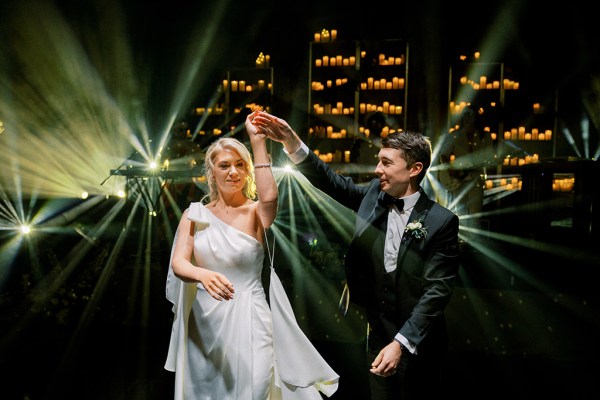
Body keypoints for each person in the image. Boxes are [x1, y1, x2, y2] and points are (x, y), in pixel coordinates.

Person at [252, 111, 461, 400]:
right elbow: (331, 182)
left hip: (420, 340)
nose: (377, 169)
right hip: (377, 332)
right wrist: (291, 142)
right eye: (379, 160)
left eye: (386, 163)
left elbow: (437, 291)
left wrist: (401, 343)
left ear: (414, 169)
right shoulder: (375, 195)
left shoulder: (442, 222)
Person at [164, 109, 339, 399]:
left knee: (255, 387)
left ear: (247, 171)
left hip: (251, 317)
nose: (232, 172)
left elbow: (269, 197)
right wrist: (202, 274)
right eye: (224, 165)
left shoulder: (257, 212)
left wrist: (257, 141)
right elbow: (179, 263)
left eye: (239, 165)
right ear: (212, 172)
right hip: (204, 324)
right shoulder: (194, 215)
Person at [437, 105, 496, 217]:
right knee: (459, 215)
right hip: (458, 179)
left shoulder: (485, 136)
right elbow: (443, 155)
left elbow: (489, 158)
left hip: (476, 180)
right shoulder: (455, 135)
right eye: (465, 114)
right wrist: (450, 170)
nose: (467, 118)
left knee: (474, 215)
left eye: (470, 115)